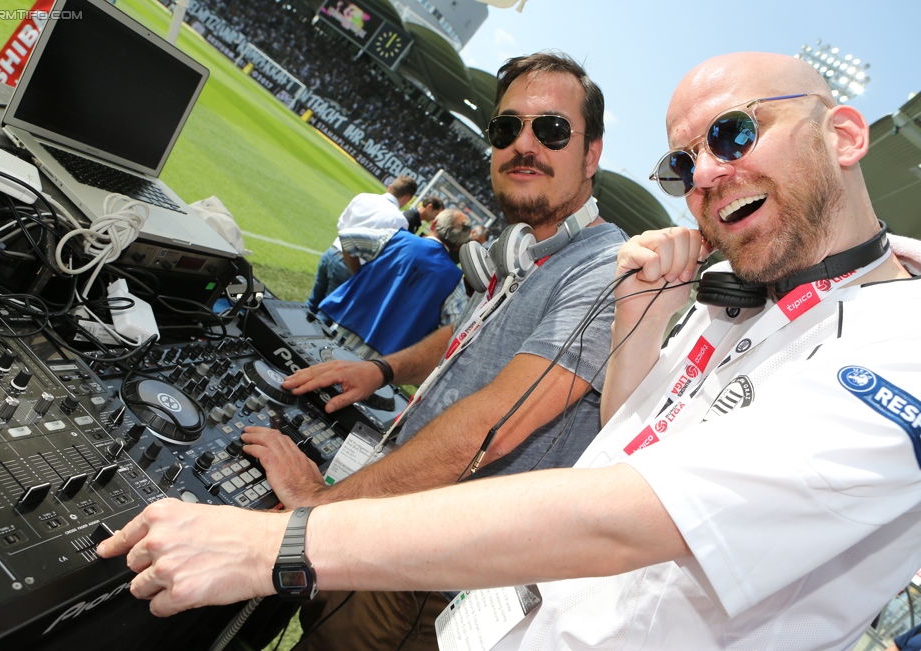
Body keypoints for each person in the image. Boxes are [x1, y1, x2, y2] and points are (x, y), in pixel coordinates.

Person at [100, 51, 921, 650]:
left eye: (734, 134)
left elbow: (617, 514)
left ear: (846, 134)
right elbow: (616, 439)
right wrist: (385, 367)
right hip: (495, 620)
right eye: (684, 160)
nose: (704, 173)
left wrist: (282, 535)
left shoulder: (901, 341)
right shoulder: (731, 308)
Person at [319, 208, 471, 359]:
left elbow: (348, 238)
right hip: (382, 359)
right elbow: (454, 329)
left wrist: (357, 275)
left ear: (433, 224)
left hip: (344, 328)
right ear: (458, 246)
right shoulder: (455, 281)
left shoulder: (397, 238)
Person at [306, 175, 417, 315]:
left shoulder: (363, 197)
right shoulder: (400, 221)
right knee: (326, 316)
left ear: (390, 187)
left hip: (331, 252)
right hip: (351, 266)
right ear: (407, 198)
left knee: (310, 306)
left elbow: (341, 225)